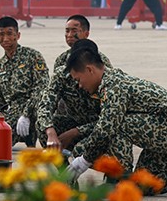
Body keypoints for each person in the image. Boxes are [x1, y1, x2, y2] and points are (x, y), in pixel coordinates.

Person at [65, 40, 167, 197]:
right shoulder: (110, 82)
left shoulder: (114, 85)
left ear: (89, 70)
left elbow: (106, 128)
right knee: (143, 185)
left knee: (113, 129)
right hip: (164, 132)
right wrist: (77, 135)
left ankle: (119, 179)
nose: (79, 85)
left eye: (78, 80)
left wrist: (83, 161)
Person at [37, 15, 112, 152]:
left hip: (96, 123)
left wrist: (75, 132)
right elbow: (49, 100)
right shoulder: (61, 62)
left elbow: (110, 115)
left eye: (74, 30)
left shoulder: (100, 63)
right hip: (73, 118)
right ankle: (63, 170)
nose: (70, 35)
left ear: (86, 33)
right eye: (67, 31)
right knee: (44, 125)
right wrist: (50, 131)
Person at [0, 17, 49, 147]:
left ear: (18, 35)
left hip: (34, 108)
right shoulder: (0, 66)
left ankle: (33, 133)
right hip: (12, 112)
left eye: (10, 34)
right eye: (1, 34)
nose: (5, 39)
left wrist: (26, 114)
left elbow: (42, 88)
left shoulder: (33, 56)